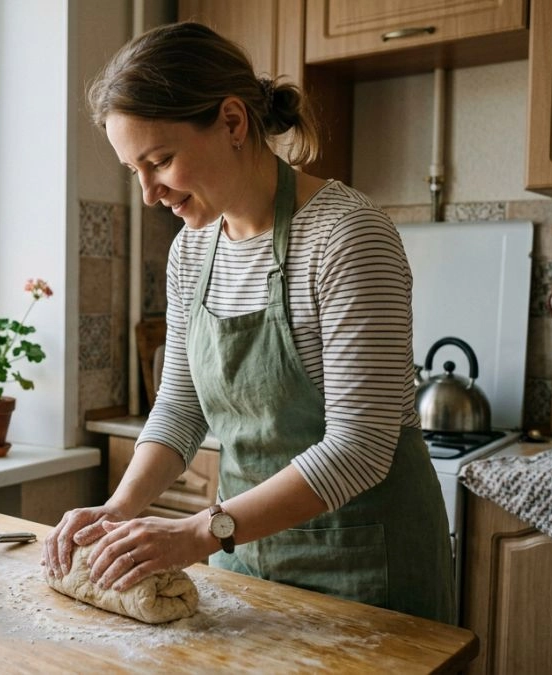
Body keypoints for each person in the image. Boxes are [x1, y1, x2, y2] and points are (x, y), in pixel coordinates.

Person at [43, 21, 453, 623]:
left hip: (366, 571)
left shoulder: (347, 236)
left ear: (233, 122)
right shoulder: (192, 249)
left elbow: (360, 448)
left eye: (160, 160)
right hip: (244, 560)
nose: (150, 194)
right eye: (135, 170)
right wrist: (121, 506)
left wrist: (197, 533)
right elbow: (182, 406)